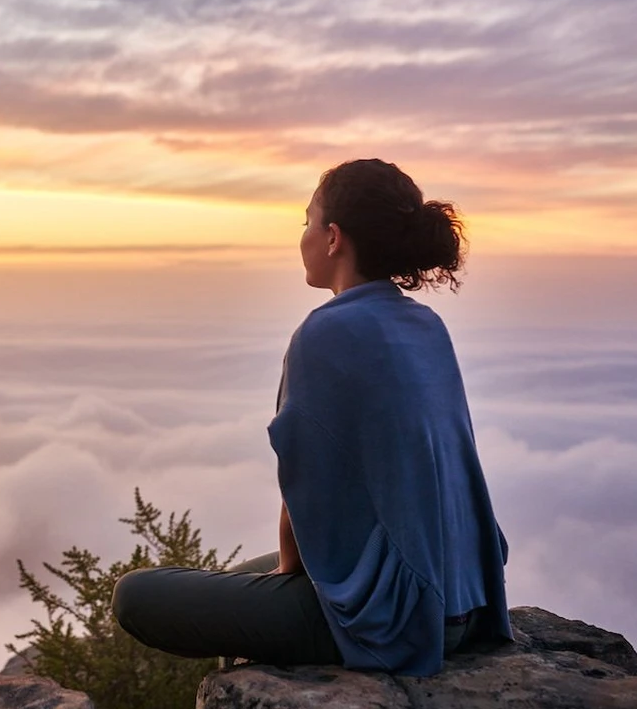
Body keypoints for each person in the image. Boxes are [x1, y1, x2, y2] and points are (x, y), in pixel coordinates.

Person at [111, 159, 514, 677]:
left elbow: (305, 492)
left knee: (137, 595)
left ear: (333, 238)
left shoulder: (325, 334)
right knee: (236, 577)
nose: (301, 235)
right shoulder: (424, 323)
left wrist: (288, 579)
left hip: (401, 619)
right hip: (464, 597)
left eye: (307, 221)